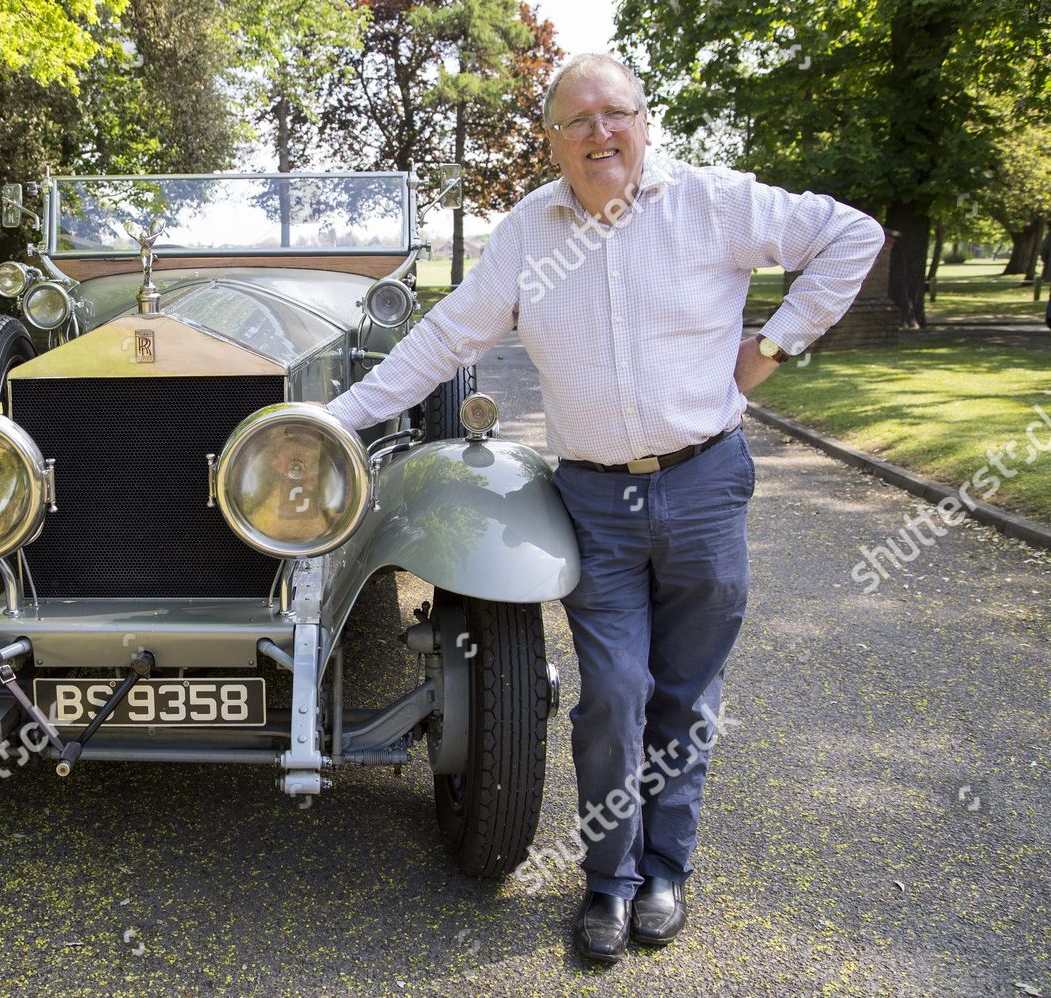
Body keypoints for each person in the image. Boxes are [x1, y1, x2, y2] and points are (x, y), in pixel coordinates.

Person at [325, 52, 884, 963]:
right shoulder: (527, 235)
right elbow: (443, 336)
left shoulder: (712, 202)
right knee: (614, 696)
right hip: (593, 498)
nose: (599, 135)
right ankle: (608, 881)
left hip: (705, 482)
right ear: (551, 140)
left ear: (644, 121)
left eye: (613, 114)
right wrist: (339, 419)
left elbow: (850, 234)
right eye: (576, 121)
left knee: (684, 695)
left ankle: (666, 871)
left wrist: (774, 348)